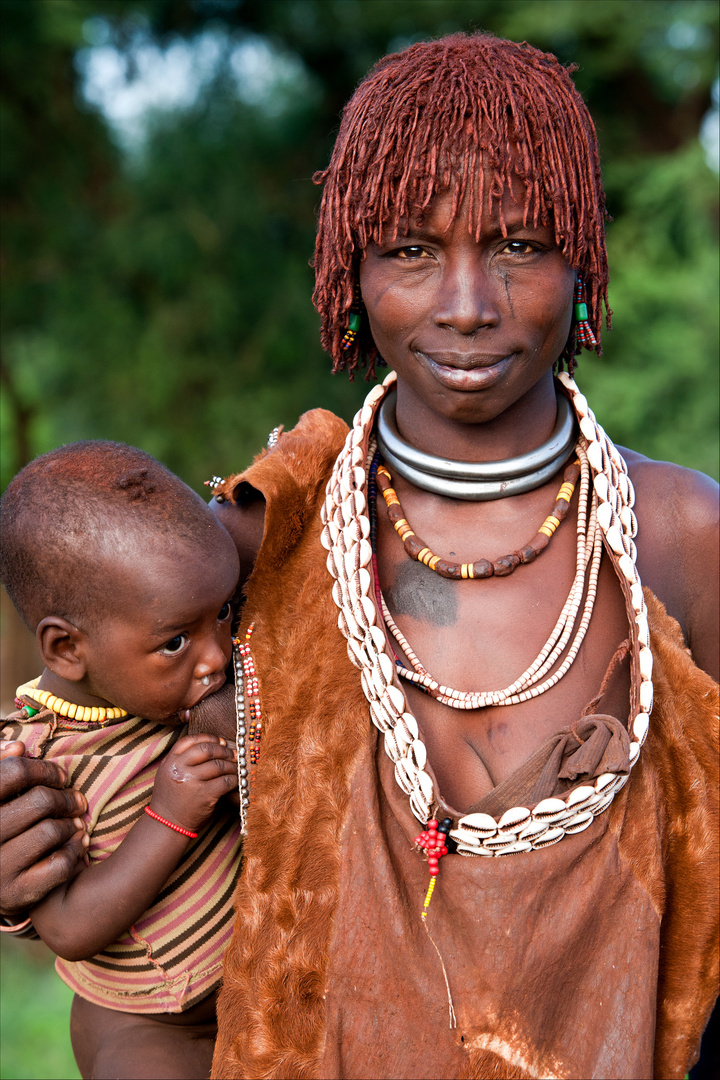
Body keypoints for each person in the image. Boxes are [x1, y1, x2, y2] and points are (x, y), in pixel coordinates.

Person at [1, 31, 718, 1080]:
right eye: (411, 251)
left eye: (518, 245)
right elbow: (131, 937)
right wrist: (34, 850)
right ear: (351, 264)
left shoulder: (677, 535)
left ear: (582, 257)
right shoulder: (257, 548)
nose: (466, 306)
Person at [0, 441, 242, 1080]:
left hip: (252, 984)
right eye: (175, 641)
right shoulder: (36, 764)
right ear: (67, 649)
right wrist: (170, 816)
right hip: (149, 1021)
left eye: (223, 613)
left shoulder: (178, 691)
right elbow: (72, 928)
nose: (217, 656)